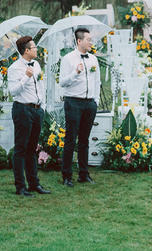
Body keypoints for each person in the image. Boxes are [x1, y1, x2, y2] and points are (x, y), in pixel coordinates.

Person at [8, 36, 50, 196]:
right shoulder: (14, 68)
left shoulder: (37, 64)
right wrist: (25, 76)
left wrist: (42, 107)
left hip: (37, 110)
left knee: (32, 148)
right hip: (22, 109)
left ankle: (34, 183)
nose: (36, 50)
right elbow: (13, 91)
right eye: (34, 48)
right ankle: (20, 186)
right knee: (21, 148)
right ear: (26, 51)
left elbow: (40, 85)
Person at [60, 28, 100, 186]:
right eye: (88, 39)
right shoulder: (68, 59)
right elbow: (62, 82)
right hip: (73, 102)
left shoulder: (93, 59)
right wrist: (75, 73)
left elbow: (97, 81)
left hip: (89, 103)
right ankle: (67, 175)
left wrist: (95, 100)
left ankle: (84, 173)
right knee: (70, 139)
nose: (91, 42)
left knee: (84, 139)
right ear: (79, 41)